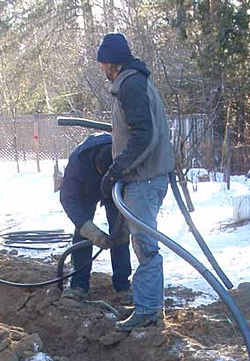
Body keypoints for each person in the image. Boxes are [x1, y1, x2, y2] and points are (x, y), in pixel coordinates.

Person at [96, 32, 174, 332]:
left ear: (111, 63)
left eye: (103, 64)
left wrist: (117, 169)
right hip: (144, 177)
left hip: (143, 179)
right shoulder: (133, 81)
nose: (102, 70)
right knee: (141, 244)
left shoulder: (131, 85)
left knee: (146, 247)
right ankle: (147, 303)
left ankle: (148, 311)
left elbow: (143, 135)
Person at [59, 133, 132, 303]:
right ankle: (79, 285)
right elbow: (68, 198)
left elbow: (133, 188)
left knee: (120, 233)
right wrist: (91, 232)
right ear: (96, 165)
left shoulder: (123, 155)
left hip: (115, 189)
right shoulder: (78, 163)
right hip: (86, 191)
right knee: (82, 233)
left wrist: (124, 223)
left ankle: (123, 285)